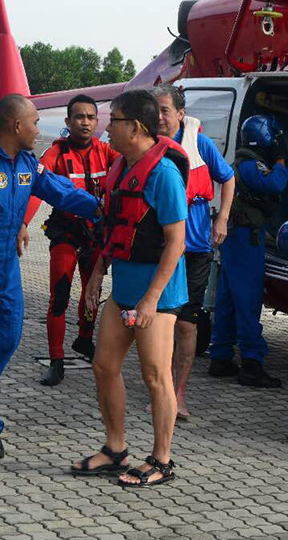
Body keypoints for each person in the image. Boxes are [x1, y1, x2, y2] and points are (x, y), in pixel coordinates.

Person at [0, 94, 102, 460]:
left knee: (8, 339)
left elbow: (60, 192)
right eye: (33, 123)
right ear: (15, 126)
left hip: (8, 271)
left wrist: (101, 209)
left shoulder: (27, 163)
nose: (37, 130)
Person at [72, 90, 188, 488]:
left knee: (156, 376)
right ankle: (116, 449)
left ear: (135, 127)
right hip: (122, 287)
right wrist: (95, 276)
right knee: (104, 365)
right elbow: (112, 228)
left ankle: (162, 459)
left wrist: (151, 300)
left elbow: (176, 242)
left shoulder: (164, 175)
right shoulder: (121, 166)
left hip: (158, 295)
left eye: (113, 121)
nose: (106, 128)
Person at [23, 94, 119, 386]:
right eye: (79, 117)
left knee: (92, 292)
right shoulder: (54, 154)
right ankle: (56, 360)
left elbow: (138, 165)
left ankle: (85, 339)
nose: (85, 122)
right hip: (65, 233)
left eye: (91, 117)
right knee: (59, 297)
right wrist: (23, 223)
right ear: (68, 121)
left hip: (95, 237)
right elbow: (34, 187)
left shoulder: (108, 152)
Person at [152, 85, 234, 419]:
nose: (158, 117)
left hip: (194, 249)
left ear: (180, 114)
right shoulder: (146, 146)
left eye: (165, 110)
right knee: (157, 322)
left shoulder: (200, 144)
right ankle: (158, 387)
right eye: (154, 109)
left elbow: (228, 179)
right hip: (157, 248)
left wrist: (223, 219)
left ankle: (178, 393)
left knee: (186, 324)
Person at [208, 115, 288, 388]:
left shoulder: (242, 161)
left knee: (228, 297)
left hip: (237, 236)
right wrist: (281, 161)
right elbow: (276, 184)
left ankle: (221, 356)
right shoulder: (250, 165)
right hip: (245, 239)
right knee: (247, 300)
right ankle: (252, 364)